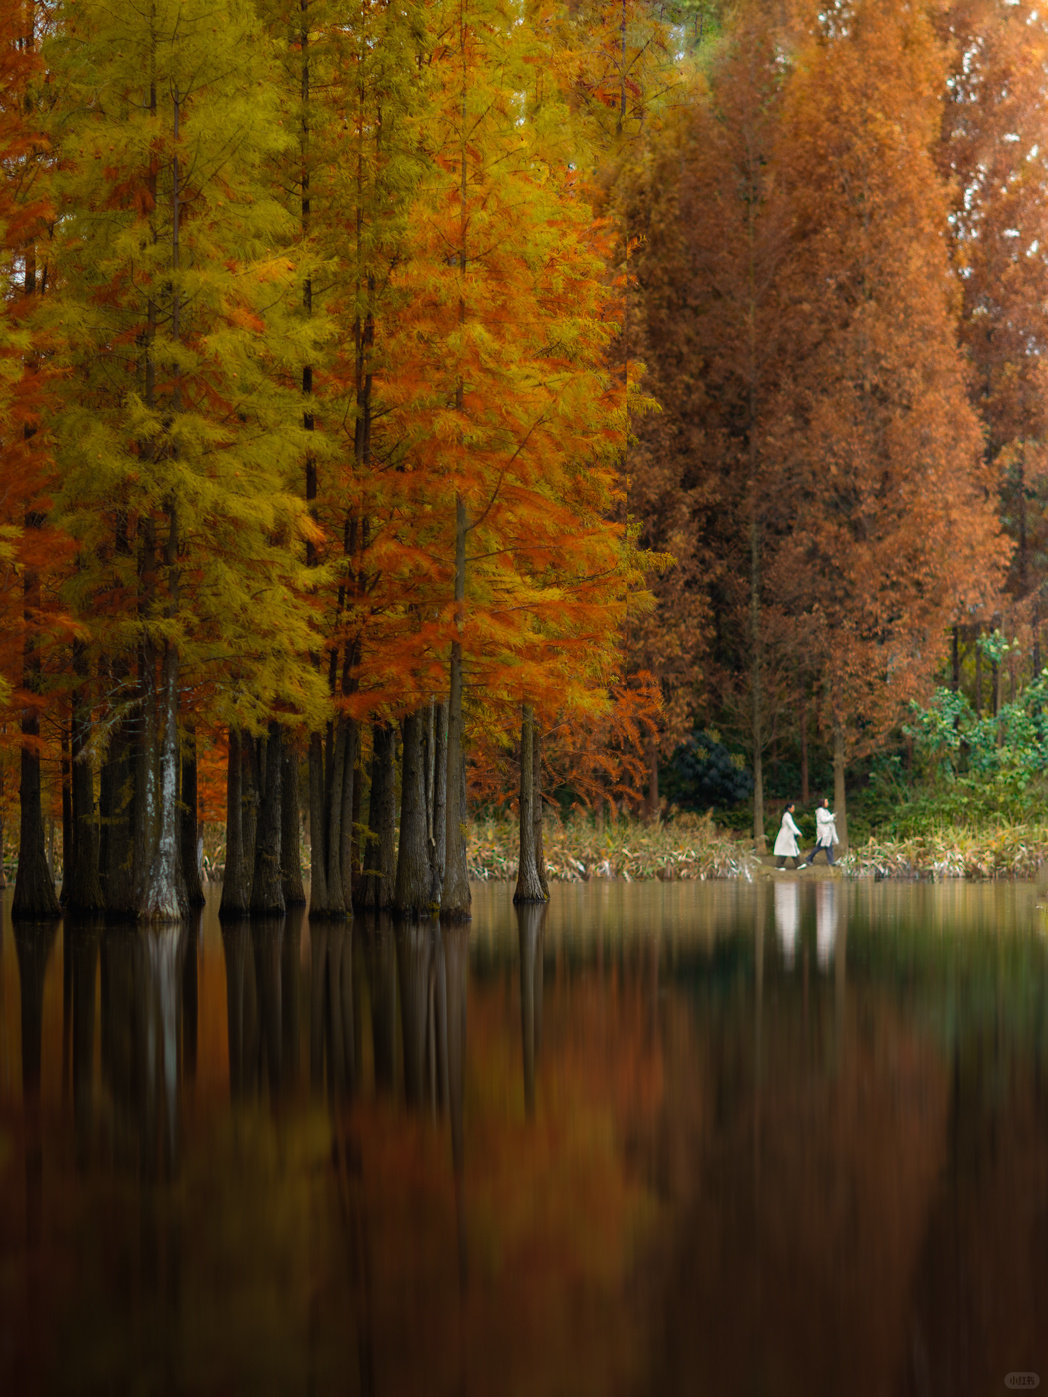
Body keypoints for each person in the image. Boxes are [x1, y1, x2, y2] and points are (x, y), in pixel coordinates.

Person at [798, 797, 839, 867]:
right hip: (823, 833)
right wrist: (832, 816)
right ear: (822, 803)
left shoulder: (826, 811)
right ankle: (809, 858)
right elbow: (824, 820)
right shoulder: (820, 811)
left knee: (829, 847)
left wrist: (833, 818)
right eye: (826, 802)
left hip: (828, 833)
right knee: (819, 847)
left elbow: (829, 819)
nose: (828, 803)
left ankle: (831, 861)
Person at [773, 801, 804, 869]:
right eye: (792, 808)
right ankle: (779, 865)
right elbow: (791, 825)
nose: (794, 809)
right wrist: (797, 832)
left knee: (791, 849)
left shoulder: (787, 815)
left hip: (788, 836)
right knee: (786, 850)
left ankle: (798, 864)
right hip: (786, 836)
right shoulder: (787, 816)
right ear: (789, 809)